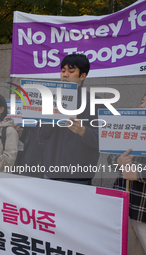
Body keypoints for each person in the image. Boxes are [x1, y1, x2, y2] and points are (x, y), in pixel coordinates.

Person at [39, 53, 101, 185]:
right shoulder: (51, 100)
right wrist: (51, 117)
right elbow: (41, 135)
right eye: (63, 71)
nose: (65, 75)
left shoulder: (95, 102)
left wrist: (83, 131)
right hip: (50, 174)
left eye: (71, 71)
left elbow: (103, 140)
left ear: (83, 76)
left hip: (79, 177)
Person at [108, 91, 146, 255]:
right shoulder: (130, 128)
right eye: (142, 101)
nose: (142, 105)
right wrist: (118, 162)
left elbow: (137, 173)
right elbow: (110, 156)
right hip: (125, 209)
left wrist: (139, 175)